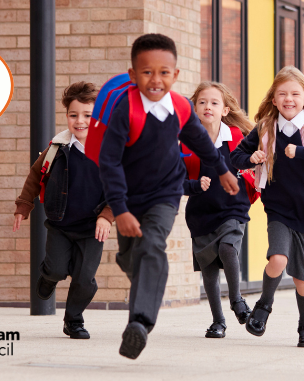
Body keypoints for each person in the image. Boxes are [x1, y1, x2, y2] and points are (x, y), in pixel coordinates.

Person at [97, 33, 240, 360]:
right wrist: (119, 209)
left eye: (164, 72)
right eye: (147, 72)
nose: (156, 79)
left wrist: (222, 169)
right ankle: (138, 275)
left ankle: (140, 323)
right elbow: (109, 162)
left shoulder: (179, 107)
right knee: (130, 257)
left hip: (165, 194)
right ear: (133, 75)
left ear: (175, 75)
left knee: (152, 246)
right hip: (129, 198)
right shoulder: (124, 110)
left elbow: (201, 142)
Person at [230, 66, 304, 349]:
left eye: (295, 94)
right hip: (279, 211)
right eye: (282, 94)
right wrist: (252, 158)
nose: (288, 99)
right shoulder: (265, 129)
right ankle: (263, 307)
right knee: (278, 259)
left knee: (302, 278)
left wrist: (303, 152)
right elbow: (236, 156)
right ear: (273, 99)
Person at [13, 81, 113, 339]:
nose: (80, 121)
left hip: (92, 229)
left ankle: (74, 321)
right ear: (67, 116)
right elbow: (36, 174)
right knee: (57, 268)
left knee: (84, 279)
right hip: (60, 224)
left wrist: (106, 216)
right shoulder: (57, 148)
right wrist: (24, 206)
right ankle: (48, 276)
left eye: (88, 116)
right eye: (73, 115)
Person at [182, 82, 256, 338]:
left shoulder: (237, 137)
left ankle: (237, 300)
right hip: (201, 211)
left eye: (214, 102)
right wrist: (193, 185)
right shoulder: (186, 141)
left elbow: (253, 167)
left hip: (233, 208)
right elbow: (174, 179)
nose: (208, 107)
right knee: (209, 269)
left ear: (225, 110)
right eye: (202, 102)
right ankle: (218, 322)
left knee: (227, 248)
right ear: (194, 108)